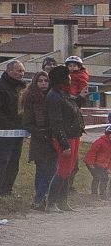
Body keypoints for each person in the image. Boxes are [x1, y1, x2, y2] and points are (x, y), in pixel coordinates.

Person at [26, 65, 84, 211]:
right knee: (62, 170)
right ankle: (52, 202)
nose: (70, 78)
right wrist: (64, 144)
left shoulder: (63, 94)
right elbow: (56, 122)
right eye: (68, 76)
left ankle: (62, 202)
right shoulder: (54, 96)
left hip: (74, 135)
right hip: (65, 137)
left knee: (69, 170)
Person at [0, 58, 29, 197]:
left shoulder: (22, 87)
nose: (21, 73)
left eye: (23, 71)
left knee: (14, 161)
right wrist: (7, 125)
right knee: (1, 160)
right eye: (18, 70)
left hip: (18, 131)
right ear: (9, 71)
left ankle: (6, 189)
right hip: (3, 131)